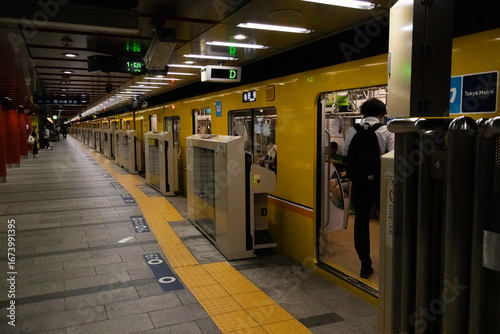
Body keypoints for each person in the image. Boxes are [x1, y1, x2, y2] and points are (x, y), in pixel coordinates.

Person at [343, 98, 394, 279]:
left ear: (363, 113)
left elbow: (345, 154)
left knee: (361, 222)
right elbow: (392, 159)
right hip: (381, 184)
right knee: (387, 220)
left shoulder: (352, 131)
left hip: (359, 184)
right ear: (382, 114)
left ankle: (365, 264)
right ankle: (391, 262)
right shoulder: (387, 131)